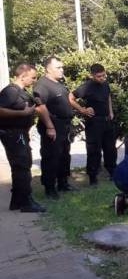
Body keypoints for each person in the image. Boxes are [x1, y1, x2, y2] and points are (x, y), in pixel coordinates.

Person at [0, 64, 51, 212]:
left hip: (20, 133)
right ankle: (26, 203)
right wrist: (22, 114)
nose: (35, 80)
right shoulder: (10, 91)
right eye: (33, 77)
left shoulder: (21, 92)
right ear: (23, 76)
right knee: (22, 167)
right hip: (13, 134)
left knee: (21, 166)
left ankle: (16, 201)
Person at [34, 56, 83, 199]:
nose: (62, 70)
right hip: (53, 125)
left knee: (63, 156)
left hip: (64, 125)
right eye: (58, 67)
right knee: (51, 157)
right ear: (48, 69)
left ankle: (63, 183)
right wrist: (50, 127)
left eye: (62, 67)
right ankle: (50, 188)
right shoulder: (42, 85)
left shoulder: (59, 83)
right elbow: (40, 107)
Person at [72, 63, 117, 185]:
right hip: (94, 122)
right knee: (94, 150)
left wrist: (111, 111)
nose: (102, 78)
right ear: (92, 75)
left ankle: (113, 172)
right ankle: (93, 177)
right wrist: (82, 110)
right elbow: (70, 97)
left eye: (103, 75)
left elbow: (108, 97)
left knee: (110, 149)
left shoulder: (106, 84)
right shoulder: (87, 87)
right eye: (99, 76)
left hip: (107, 120)